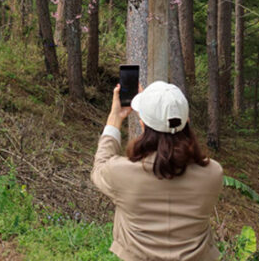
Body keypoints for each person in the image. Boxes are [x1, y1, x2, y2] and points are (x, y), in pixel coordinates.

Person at [91, 81, 223, 261]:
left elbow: (100, 165)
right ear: (187, 123)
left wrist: (115, 118)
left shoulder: (121, 173)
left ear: (143, 125)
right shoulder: (213, 174)